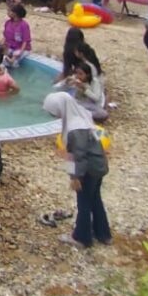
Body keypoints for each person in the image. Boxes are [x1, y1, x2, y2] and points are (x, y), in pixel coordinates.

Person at [43, 93, 112, 248]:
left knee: (84, 203)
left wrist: (75, 177)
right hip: (98, 164)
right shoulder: (82, 115)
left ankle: (82, 237)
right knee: (95, 199)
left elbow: (78, 155)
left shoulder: (75, 127)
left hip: (88, 169)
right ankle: (103, 234)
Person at [2, 2, 32, 68]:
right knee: (2, 60)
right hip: (10, 46)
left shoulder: (24, 25)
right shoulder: (8, 22)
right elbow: (5, 36)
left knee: (13, 63)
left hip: (22, 48)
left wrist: (20, 52)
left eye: (9, 11)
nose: (7, 12)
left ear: (15, 13)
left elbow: (25, 41)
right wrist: (1, 46)